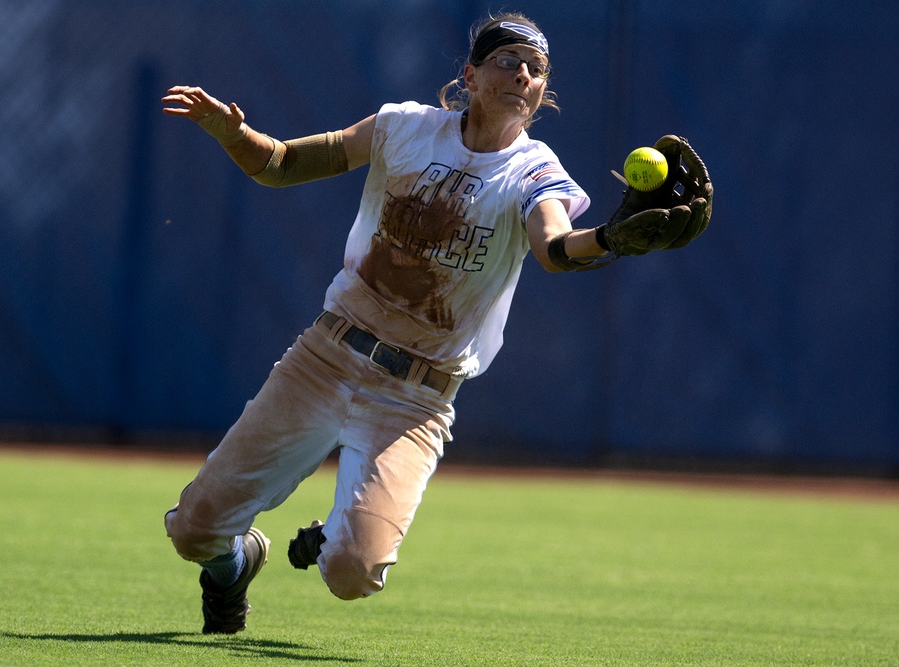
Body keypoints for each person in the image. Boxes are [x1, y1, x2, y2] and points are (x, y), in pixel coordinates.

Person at [160, 12, 712, 635]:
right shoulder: (404, 128)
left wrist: (612, 238)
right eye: (509, 61)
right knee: (193, 530)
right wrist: (230, 132)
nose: (524, 75)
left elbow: (555, 247)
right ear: (471, 76)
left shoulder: (535, 172)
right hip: (327, 357)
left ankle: (338, 532)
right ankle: (236, 566)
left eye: (536, 70)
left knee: (351, 573)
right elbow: (283, 163)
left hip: (417, 395)